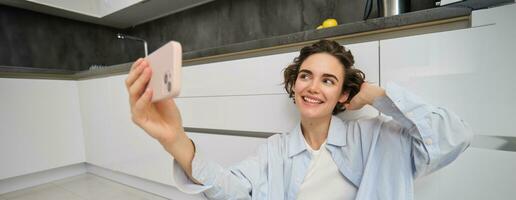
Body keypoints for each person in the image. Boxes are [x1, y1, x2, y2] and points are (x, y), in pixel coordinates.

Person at [125, 40, 472, 200]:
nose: (313, 87)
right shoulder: (276, 150)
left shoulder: (378, 138)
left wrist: (377, 96)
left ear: (344, 96)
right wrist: (173, 138)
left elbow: (452, 136)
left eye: (328, 80)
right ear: (295, 85)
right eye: (306, 76)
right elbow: (232, 189)